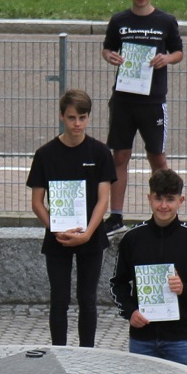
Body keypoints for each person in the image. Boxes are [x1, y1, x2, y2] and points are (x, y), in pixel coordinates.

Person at [101, 0, 184, 236]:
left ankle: (167, 214)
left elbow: (178, 52)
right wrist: (109, 56)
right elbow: (108, 48)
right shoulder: (119, 21)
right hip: (124, 99)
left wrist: (166, 58)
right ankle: (116, 216)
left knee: (157, 157)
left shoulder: (165, 21)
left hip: (153, 101)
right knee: (120, 156)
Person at [27, 89, 114, 347]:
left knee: (87, 298)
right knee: (59, 299)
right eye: (72, 118)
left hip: (91, 235)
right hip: (58, 236)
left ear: (89, 118)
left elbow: (103, 199)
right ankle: (59, 351)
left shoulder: (99, 152)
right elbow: (36, 202)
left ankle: (87, 352)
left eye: (83, 118)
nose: (77, 124)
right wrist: (56, 229)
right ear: (61, 117)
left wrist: (87, 232)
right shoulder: (45, 154)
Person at [109, 168, 187, 367]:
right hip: (142, 338)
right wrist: (130, 312)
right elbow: (118, 283)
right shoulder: (133, 238)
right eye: (158, 199)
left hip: (180, 339)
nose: (163, 205)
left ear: (181, 200)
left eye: (170, 199)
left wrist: (184, 289)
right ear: (149, 198)